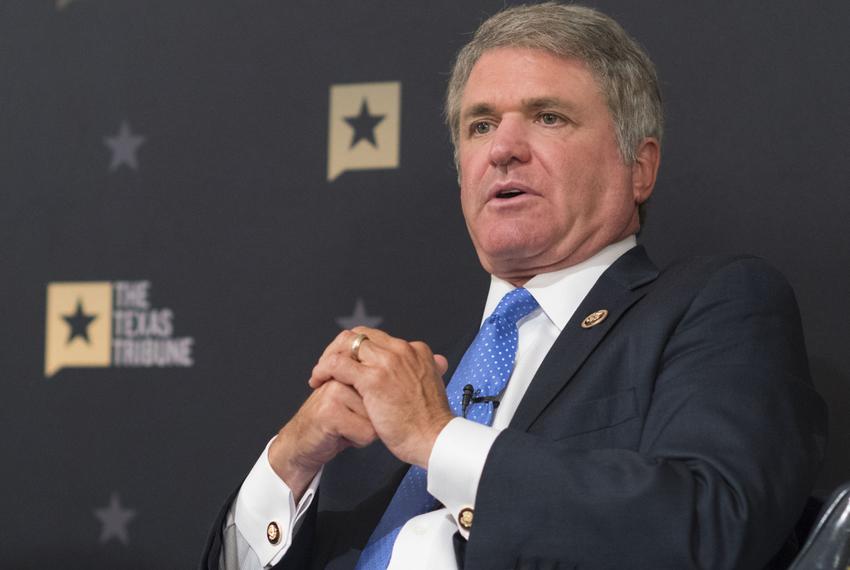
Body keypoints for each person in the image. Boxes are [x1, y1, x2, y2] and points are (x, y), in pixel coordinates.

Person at [202, 3, 827, 568]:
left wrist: (438, 439)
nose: (502, 148)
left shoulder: (714, 305)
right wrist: (289, 465)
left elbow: (711, 526)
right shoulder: (410, 382)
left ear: (639, 167)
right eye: (479, 126)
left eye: (548, 117)